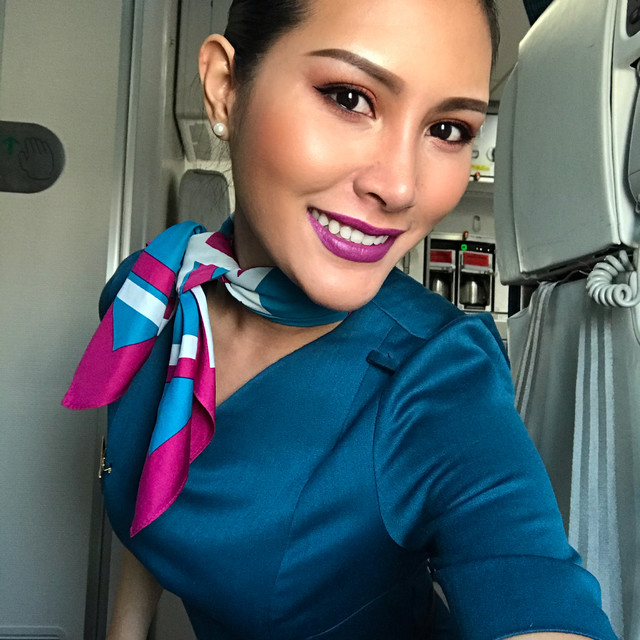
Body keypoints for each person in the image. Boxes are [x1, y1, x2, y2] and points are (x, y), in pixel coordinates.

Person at [63, 0, 618, 638]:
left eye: (447, 129)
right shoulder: (146, 297)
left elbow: (533, 587)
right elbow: (149, 491)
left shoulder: (438, 376)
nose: (401, 187)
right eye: (350, 98)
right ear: (224, 88)